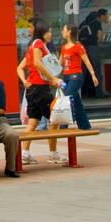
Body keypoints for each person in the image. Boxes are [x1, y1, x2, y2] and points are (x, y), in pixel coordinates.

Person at [17, 19, 66, 164]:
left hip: (32, 89)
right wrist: (53, 79)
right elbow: (37, 63)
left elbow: (20, 67)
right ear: (42, 32)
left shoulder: (33, 45)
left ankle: (25, 154)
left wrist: (24, 80)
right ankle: (53, 153)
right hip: (40, 88)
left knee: (33, 121)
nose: (50, 34)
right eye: (48, 31)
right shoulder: (38, 44)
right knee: (54, 119)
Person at [58, 24, 98, 130]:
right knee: (76, 102)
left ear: (69, 32)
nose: (62, 32)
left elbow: (86, 61)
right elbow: (59, 64)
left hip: (75, 77)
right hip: (66, 77)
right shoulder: (63, 47)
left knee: (67, 99)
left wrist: (93, 75)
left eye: (64, 29)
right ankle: (84, 125)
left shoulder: (78, 46)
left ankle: (63, 125)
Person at [79, 10, 105, 97]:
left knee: (83, 71)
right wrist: (101, 42)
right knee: (96, 71)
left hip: (83, 49)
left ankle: (80, 93)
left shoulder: (83, 23)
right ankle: (99, 93)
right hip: (93, 47)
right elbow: (99, 34)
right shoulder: (97, 23)